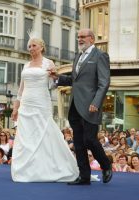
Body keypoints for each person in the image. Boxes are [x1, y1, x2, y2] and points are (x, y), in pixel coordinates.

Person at [10, 34, 79, 182]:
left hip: (41, 102)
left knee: (43, 132)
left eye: (34, 45)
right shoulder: (26, 65)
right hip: (26, 103)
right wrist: (16, 108)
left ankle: (50, 168)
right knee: (26, 135)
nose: (31, 48)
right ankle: (27, 169)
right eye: (29, 46)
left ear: (41, 47)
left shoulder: (49, 63)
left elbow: (53, 84)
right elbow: (20, 90)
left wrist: (54, 77)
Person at [49, 28, 112, 185]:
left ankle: (106, 165)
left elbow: (104, 83)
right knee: (78, 143)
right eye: (78, 37)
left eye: (83, 37)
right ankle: (84, 177)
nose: (80, 39)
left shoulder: (100, 56)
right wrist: (57, 78)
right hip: (75, 106)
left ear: (92, 39)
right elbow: (74, 80)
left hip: (91, 106)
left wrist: (96, 103)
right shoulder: (78, 56)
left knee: (90, 140)